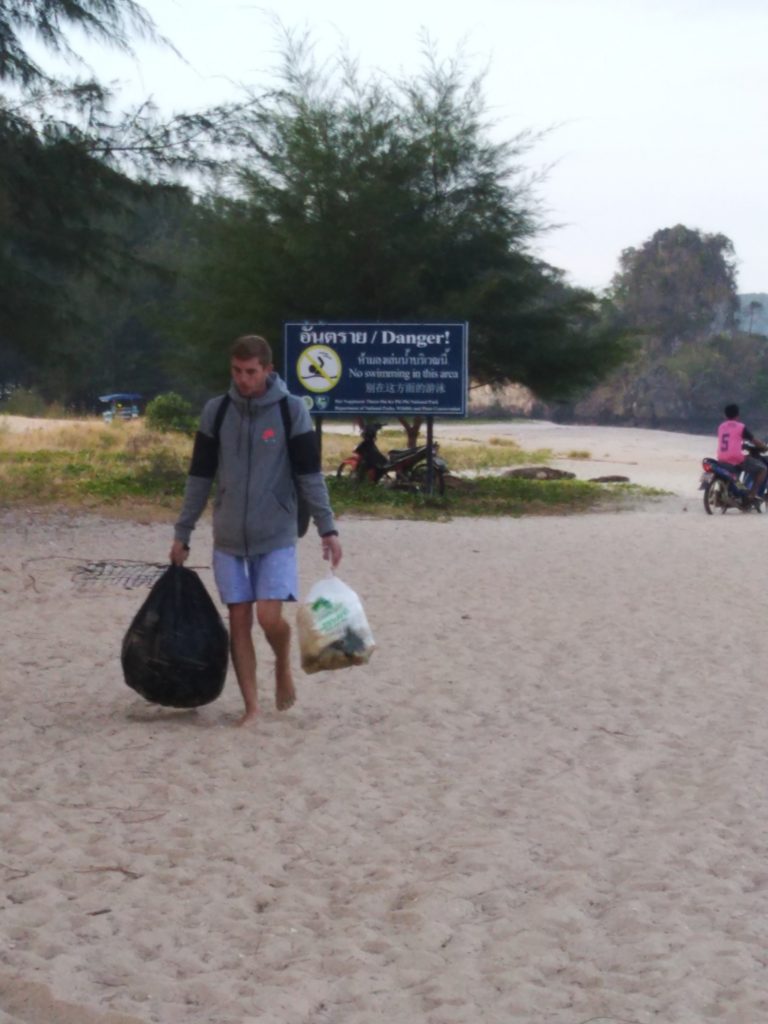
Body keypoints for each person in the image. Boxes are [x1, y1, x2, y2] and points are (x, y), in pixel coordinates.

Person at [169, 334, 342, 725]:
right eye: (236, 371)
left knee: (268, 617)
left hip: (276, 532)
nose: (243, 379)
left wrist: (327, 529)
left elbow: (309, 474)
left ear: (268, 370)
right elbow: (199, 477)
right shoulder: (216, 412)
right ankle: (252, 707)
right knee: (240, 619)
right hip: (228, 535)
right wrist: (183, 532)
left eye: (251, 372)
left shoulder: (290, 411)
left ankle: (281, 662)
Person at [715, 403, 768, 507]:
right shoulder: (740, 427)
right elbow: (754, 440)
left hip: (721, 458)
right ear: (737, 415)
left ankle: (737, 491)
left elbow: (731, 439)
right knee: (763, 469)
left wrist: (742, 446)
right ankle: (752, 494)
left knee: (737, 472)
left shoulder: (721, 427)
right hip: (735, 458)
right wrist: (763, 446)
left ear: (725, 416)